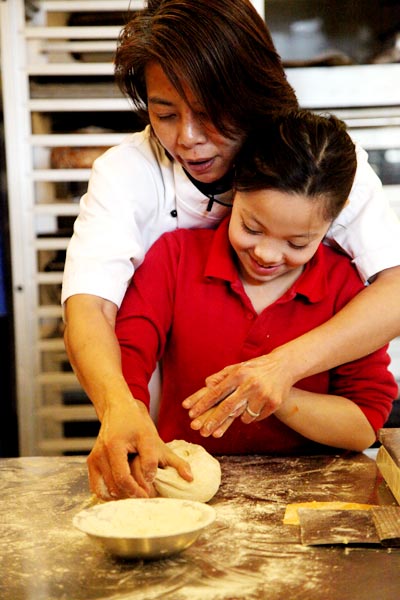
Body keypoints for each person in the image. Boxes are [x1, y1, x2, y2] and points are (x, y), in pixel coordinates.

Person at [61, 0, 400, 500]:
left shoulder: (312, 164)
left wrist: (280, 371)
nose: (189, 139)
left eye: (210, 114)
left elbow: (393, 291)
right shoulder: (130, 178)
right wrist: (119, 407)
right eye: (165, 114)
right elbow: (88, 306)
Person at [115, 110, 397, 495]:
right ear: (236, 189)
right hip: (182, 489)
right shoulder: (176, 259)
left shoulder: (345, 290)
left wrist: (275, 392)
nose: (266, 253)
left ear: (335, 218)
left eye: (298, 243)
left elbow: (364, 423)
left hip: (313, 499)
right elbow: (128, 354)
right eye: (251, 226)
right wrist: (124, 416)